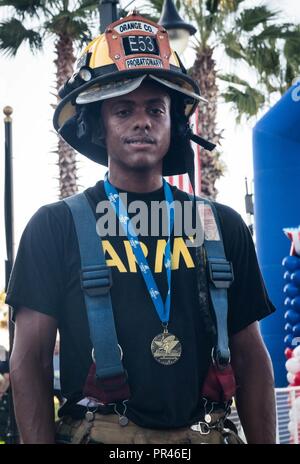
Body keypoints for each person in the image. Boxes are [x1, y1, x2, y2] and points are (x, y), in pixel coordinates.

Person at [6, 12, 276, 444]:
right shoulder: (54, 228)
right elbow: (29, 362)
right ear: (97, 124)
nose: (142, 121)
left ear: (175, 123)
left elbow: (251, 358)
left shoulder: (222, 226)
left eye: (156, 109)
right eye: (123, 109)